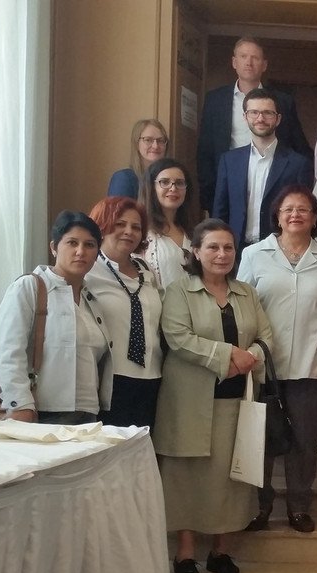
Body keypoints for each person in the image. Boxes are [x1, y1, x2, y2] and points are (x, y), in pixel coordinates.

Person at [154, 219, 273, 573]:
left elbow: (266, 336)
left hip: (237, 400)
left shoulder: (246, 293)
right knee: (186, 479)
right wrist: (228, 356)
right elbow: (177, 337)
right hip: (189, 401)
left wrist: (249, 356)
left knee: (230, 479)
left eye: (228, 248)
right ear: (196, 253)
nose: (222, 255)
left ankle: (221, 552)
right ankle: (185, 553)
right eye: (213, 247)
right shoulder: (179, 291)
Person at [238, 186, 317, 534]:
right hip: (263, 367)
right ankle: (259, 506)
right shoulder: (253, 254)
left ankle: (298, 506)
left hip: (311, 364)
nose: (295, 214)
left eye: (304, 209)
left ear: (315, 217)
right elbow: (240, 302)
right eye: (288, 209)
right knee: (260, 441)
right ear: (276, 215)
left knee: (306, 441)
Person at [0, 211, 111, 424]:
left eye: (90, 245)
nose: (80, 251)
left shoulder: (92, 300)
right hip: (40, 412)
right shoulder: (30, 287)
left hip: (88, 414)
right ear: (54, 247)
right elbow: (9, 352)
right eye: (72, 243)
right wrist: (20, 404)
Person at [196, 37, 310, 212]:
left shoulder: (283, 101)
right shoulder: (215, 100)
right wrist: (210, 198)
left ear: (264, 65)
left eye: (255, 58)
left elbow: (298, 146)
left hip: (273, 184)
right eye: (243, 56)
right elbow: (205, 151)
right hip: (229, 185)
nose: (249, 62)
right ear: (234, 62)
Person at [86, 196, 163, 428]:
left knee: (141, 455)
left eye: (136, 227)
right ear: (102, 226)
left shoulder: (146, 269)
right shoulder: (88, 269)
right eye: (120, 224)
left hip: (152, 376)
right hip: (110, 378)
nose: (129, 232)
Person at [213, 88, 316, 250]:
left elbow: (305, 211)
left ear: (278, 119)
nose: (260, 118)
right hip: (235, 250)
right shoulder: (229, 161)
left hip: (279, 249)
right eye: (254, 112)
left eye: (268, 113)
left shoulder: (299, 164)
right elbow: (220, 211)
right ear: (245, 117)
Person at [139, 158, 194, 290]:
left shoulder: (192, 233)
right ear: (152, 188)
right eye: (164, 182)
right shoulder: (142, 232)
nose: (173, 188)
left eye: (179, 183)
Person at [107, 119, 167, 199]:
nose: (155, 146)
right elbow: (117, 211)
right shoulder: (124, 179)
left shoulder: (170, 182)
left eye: (160, 140)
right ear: (136, 143)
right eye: (148, 140)